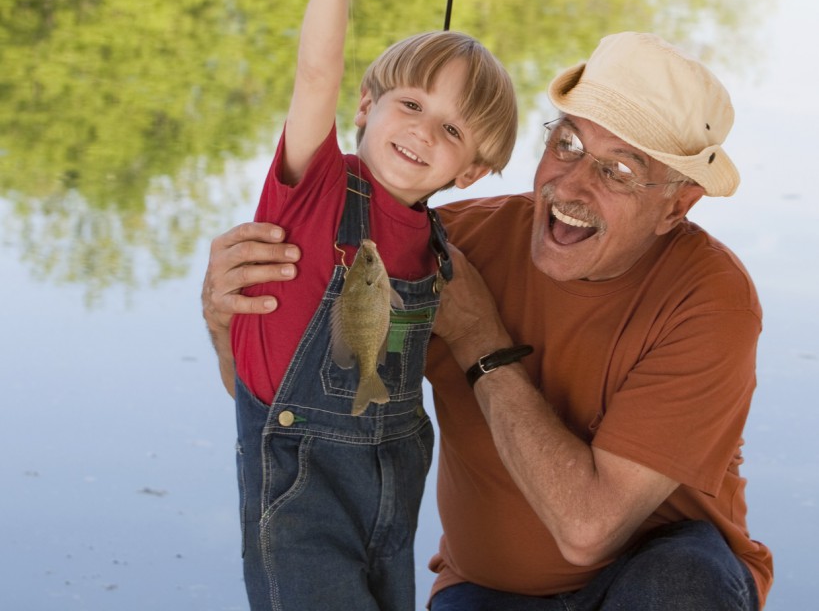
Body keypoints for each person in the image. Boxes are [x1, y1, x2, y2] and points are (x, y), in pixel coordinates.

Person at [203, 31, 773, 610]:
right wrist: (229, 320)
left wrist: (480, 339)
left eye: (619, 171)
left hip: (658, 582)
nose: (571, 185)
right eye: (569, 143)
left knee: (678, 587)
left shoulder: (710, 301)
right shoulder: (447, 246)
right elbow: (304, 407)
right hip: (486, 592)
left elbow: (588, 529)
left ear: (677, 205)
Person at [226, 0, 518, 611]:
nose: (422, 131)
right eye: (410, 105)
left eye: (452, 131)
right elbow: (314, 73)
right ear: (365, 107)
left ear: (472, 172)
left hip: (392, 478)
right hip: (299, 483)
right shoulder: (316, 185)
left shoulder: (439, 248)